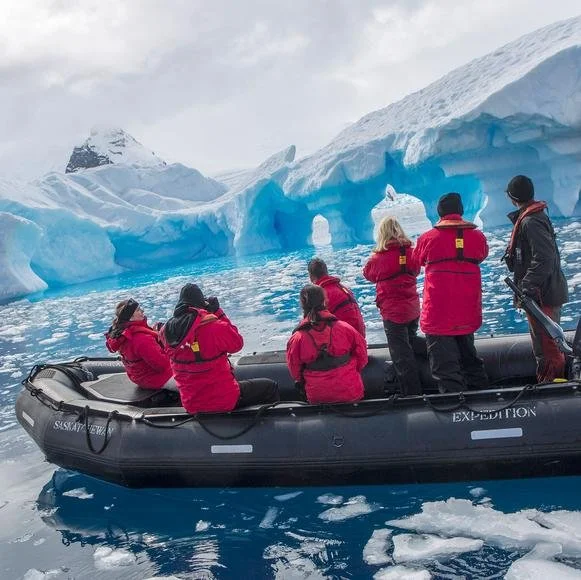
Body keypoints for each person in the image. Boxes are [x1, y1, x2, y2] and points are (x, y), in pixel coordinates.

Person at [159, 283, 279, 414]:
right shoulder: (214, 327)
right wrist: (218, 312)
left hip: (191, 403)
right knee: (269, 387)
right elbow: (237, 343)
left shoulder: (166, 332)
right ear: (201, 302)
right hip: (222, 400)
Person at [413, 192, 489, 393]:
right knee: (470, 360)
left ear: (439, 212)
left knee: (445, 369)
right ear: (461, 210)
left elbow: (416, 260)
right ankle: (483, 401)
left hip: (438, 314)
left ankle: (455, 412)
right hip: (467, 310)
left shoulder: (427, 239)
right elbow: (482, 254)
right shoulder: (478, 237)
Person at [503, 174, 569, 382]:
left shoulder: (531, 222)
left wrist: (527, 286)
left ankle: (553, 391)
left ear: (513, 198)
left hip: (542, 296)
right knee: (546, 345)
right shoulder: (535, 217)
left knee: (548, 348)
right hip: (544, 292)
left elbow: (545, 257)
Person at [363, 216, 424, 395]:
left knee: (401, 355)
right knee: (411, 340)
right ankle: (437, 352)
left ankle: (413, 394)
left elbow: (368, 274)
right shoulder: (412, 252)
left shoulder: (378, 258)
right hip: (412, 308)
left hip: (393, 313)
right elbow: (417, 268)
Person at [286, 284, 368, 404]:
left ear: (302, 304)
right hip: (351, 393)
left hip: (318, 397)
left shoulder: (297, 338)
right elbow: (362, 356)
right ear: (324, 301)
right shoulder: (345, 329)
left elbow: (295, 372)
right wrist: (349, 371)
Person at [105, 299, 177, 391]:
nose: (142, 311)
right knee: (193, 381)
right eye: (138, 310)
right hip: (155, 378)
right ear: (130, 317)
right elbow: (163, 365)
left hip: (138, 377)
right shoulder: (141, 339)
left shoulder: (122, 334)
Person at [307, 257, 366, 338]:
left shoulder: (321, 294)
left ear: (311, 276)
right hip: (359, 336)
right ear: (326, 272)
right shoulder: (343, 288)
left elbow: (314, 324)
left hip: (346, 340)